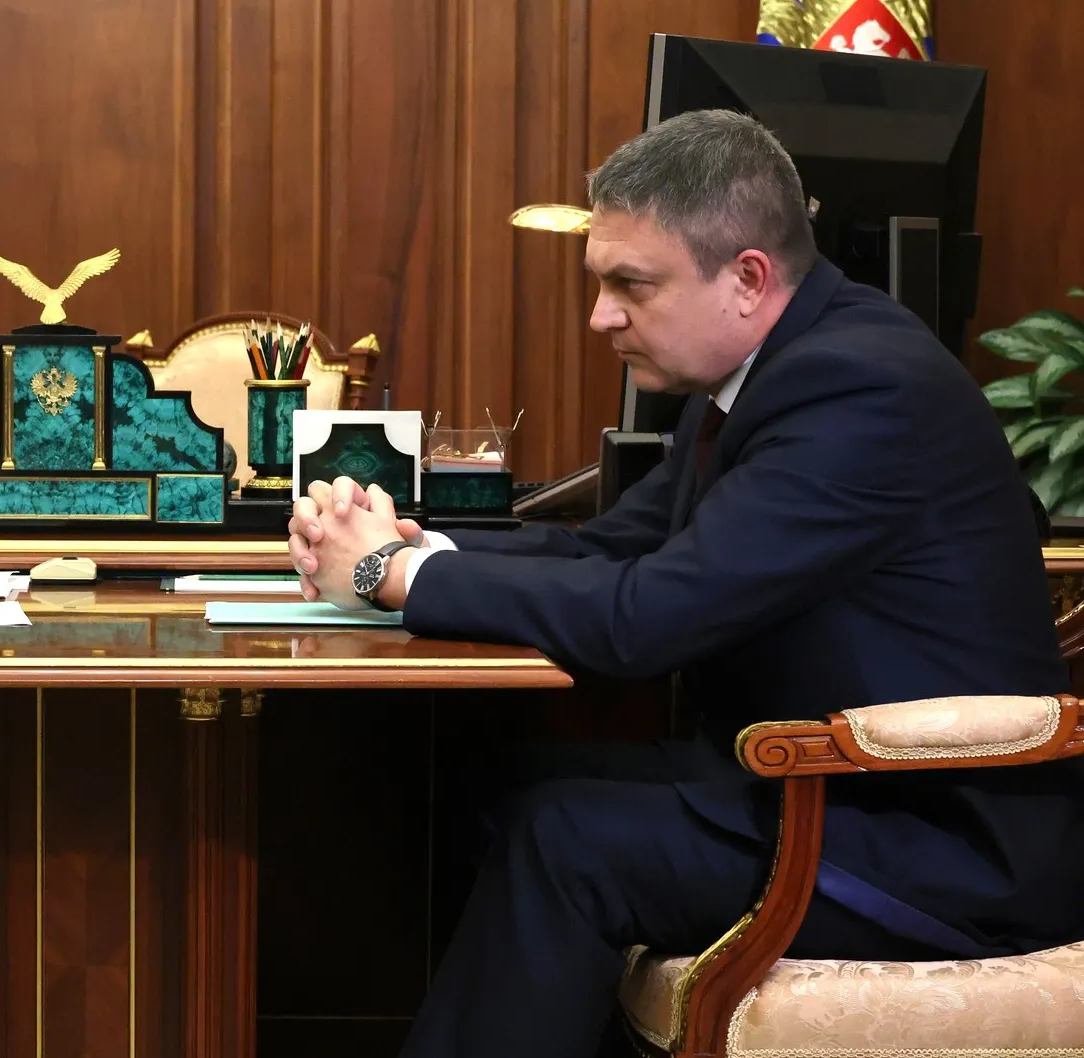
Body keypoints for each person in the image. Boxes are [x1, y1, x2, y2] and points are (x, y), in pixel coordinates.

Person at [287, 109, 1082, 1056]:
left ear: (747, 278)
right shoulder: (767, 374)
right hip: (815, 784)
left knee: (562, 839)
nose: (601, 316)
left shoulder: (858, 390)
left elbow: (646, 619)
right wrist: (417, 548)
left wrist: (389, 574)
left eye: (632, 285)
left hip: (931, 837)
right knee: (494, 778)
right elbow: (612, 549)